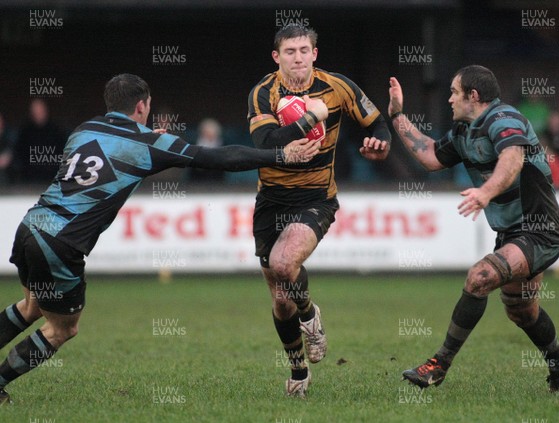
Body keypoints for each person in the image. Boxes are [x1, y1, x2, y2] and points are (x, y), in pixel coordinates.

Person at [0, 73, 319, 405]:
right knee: (62, 329)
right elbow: (221, 158)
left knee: (31, 306)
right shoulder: (148, 144)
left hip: (30, 226)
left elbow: (110, 155)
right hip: (60, 244)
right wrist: (282, 156)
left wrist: (148, 141)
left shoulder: (84, 129)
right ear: (142, 105)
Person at [388, 65, 559, 393]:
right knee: (521, 310)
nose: (449, 99)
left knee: (480, 277)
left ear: (473, 96)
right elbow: (431, 157)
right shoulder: (464, 130)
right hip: (512, 233)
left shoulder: (504, 119)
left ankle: (438, 366)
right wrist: (397, 117)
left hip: (539, 229)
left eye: (454, 92)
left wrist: (485, 192)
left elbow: (512, 158)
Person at [247, 24, 391, 397]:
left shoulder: (338, 86)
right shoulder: (264, 93)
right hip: (271, 201)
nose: (298, 57)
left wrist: (381, 142)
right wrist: (311, 118)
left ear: (315, 53)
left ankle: (309, 313)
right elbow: (265, 141)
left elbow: (375, 121)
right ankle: (298, 371)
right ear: (277, 57)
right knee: (281, 300)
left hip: (316, 198)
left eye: (304, 50)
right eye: (289, 51)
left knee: (283, 264)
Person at [12, 99, 66, 184]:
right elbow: (20, 153)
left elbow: (62, 153)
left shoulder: (57, 131)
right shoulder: (25, 131)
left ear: (45, 111)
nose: (38, 114)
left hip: (51, 177)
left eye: (40, 111)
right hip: (29, 178)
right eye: (35, 111)